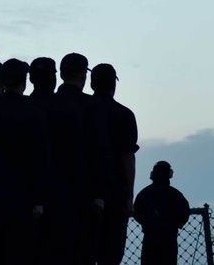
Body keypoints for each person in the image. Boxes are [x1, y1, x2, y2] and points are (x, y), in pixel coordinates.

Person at [0, 58, 48, 265]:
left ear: (2, 82)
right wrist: (38, 199)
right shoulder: (34, 114)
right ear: (24, 82)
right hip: (22, 199)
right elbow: (38, 159)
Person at [28, 57, 82, 265]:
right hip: (62, 194)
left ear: (31, 79)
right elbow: (76, 157)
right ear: (54, 78)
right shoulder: (69, 111)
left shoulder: (25, 107)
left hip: (27, 195)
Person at [56, 52, 109, 264]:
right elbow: (98, 149)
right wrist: (99, 192)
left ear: (61, 74)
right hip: (84, 189)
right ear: (82, 76)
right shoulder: (92, 105)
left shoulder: (48, 104)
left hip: (53, 189)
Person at [91, 63, 139, 265]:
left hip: (85, 192)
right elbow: (128, 157)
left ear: (91, 83)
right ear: (113, 85)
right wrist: (130, 196)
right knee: (111, 253)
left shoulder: (82, 109)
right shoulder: (124, 115)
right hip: (116, 192)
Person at [133, 161, 190, 265]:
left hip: (149, 237)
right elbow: (184, 213)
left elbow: (137, 213)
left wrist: (149, 222)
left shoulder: (144, 194)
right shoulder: (175, 194)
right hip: (169, 237)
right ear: (169, 174)